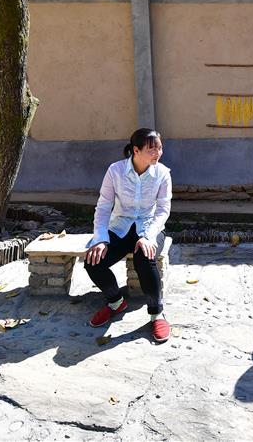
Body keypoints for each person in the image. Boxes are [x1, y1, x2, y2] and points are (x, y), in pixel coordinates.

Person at [84, 128, 172, 343]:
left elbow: (163, 210)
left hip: (149, 227)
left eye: (160, 148)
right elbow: (103, 206)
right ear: (136, 150)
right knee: (93, 261)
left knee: (145, 259)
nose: (158, 153)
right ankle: (116, 302)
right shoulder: (115, 171)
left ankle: (156, 314)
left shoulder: (162, 173)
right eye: (152, 149)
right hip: (119, 227)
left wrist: (148, 236)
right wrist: (101, 239)